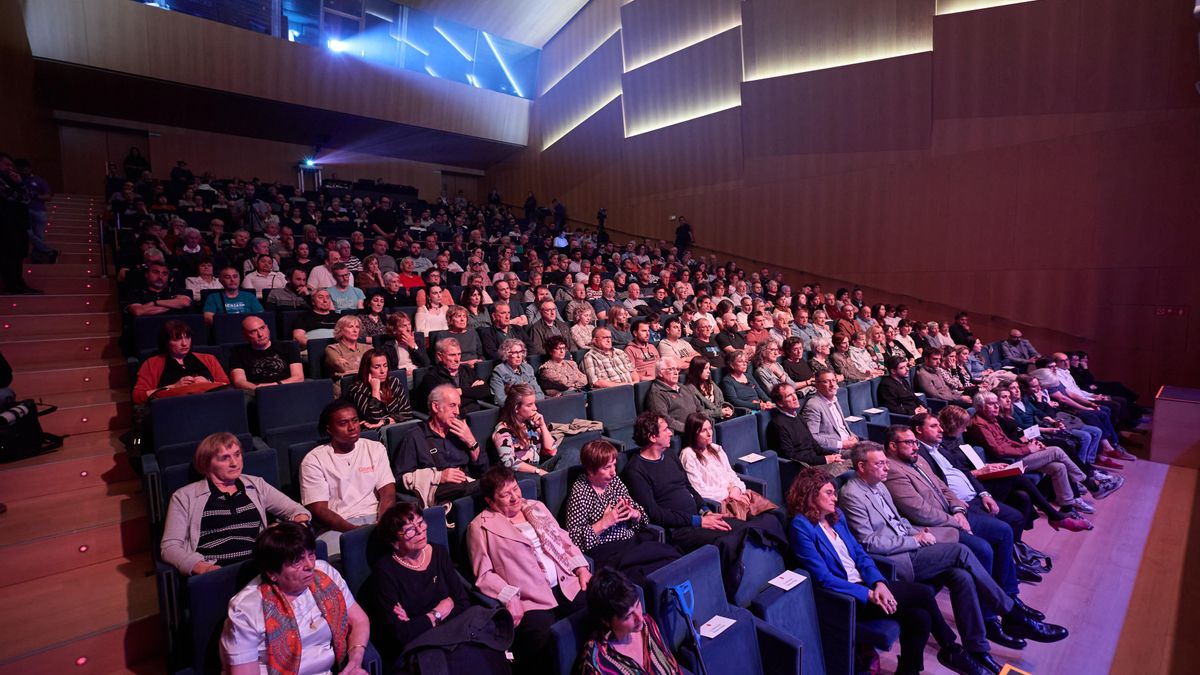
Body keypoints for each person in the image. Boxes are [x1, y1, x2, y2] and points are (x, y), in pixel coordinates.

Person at [838, 442, 1067, 660]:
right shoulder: (852, 494)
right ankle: (1011, 613)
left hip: (908, 543)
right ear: (861, 467)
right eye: (879, 463)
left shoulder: (878, 485)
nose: (886, 466)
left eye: (885, 463)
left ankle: (977, 647)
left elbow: (897, 521)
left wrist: (915, 530)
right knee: (961, 552)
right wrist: (915, 540)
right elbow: (868, 543)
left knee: (962, 576)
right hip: (896, 560)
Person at [786, 468, 987, 675]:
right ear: (810, 493)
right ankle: (952, 649)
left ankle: (909, 671)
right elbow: (824, 579)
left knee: (920, 618)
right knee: (924, 593)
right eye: (828, 493)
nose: (835, 498)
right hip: (845, 596)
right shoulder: (801, 527)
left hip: (867, 583)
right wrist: (869, 594)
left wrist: (879, 583)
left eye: (834, 492)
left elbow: (860, 554)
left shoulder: (836, 516)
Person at [883, 424, 1040, 615]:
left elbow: (944, 487)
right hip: (932, 527)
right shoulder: (892, 471)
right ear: (892, 446)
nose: (916, 447)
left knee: (1004, 530)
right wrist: (955, 520)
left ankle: (1010, 595)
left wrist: (957, 508)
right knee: (983, 548)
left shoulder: (918, 460)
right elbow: (919, 512)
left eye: (915, 442)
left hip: (954, 514)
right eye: (909, 443)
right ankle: (988, 615)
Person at [622, 412, 782, 596]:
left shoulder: (670, 456)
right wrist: (698, 521)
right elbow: (654, 513)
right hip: (679, 530)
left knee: (748, 528)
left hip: (700, 519)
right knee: (729, 540)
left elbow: (689, 487)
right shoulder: (635, 470)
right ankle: (731, 594)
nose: (670, 433)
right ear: (652, 436)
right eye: (665, 430)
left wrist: (705, 511)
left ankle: (762, 579)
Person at [468, 466, 591, 672]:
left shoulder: (536, 507)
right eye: (505, 495)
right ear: (490, 501)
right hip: (529, 599)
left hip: (566, 583)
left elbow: (564, 540)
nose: (515, 497)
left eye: (515, 489)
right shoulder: (479, 526)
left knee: (596, 616)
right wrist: (510, 597)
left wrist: (581, 568)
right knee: (543, 644)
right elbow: (484, 575)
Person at [364, 503, 513, 673]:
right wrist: (439, 612)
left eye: (421, 523)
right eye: (410, 530)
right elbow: (401, 634)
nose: (420, 531)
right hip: (424, 645)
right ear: (394, 542)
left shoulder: (439, 553)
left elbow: (463, 604)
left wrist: (421, 621)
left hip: (457, 632)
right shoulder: (385, 573)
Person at [219, 521, 371, 675]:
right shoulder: (246, 608)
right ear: (272, 573)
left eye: (310, 554)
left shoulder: (325, 574)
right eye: (297, 561)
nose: (309, 565)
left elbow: (359, 620)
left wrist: (354, 662)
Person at [161, 432, 309, 576]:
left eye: (237, 454)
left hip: (258, 566)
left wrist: (299, 525)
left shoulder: (256, 485)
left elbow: (295, 510)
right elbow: (170, 547)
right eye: (225, 458)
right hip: (216, 570)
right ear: (207, 463)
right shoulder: (184, 496)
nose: (234, 463)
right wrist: (203, 568)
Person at [938, 405, 1091, 532]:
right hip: (972, 486)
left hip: (981, 476)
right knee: (1021, 474)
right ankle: (1056, 515)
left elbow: (968, 464)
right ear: (954, 424)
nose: (965, 431)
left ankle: (1022, 544)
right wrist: (978, 472)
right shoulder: (941, 447)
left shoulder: (956, 441)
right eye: (963, 427)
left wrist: (987, 466)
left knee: (1023, 495)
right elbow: (953, 474)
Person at [564, 440, 680, 585]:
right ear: (591, 470)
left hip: (632, 542)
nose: (613, 472)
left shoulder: (614, 482)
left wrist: (634, 514)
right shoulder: (580, 493)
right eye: (607, 468)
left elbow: (642, 516)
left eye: (614, 465)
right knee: (646, 576)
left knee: (672, 557)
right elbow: (573, 540)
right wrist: (604, 523)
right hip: (607, 552)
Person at [965, 391, 1094, 514]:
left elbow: (1007, 441)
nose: (996, 406)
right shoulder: (979, 425)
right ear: (980, 407)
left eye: (996, 403)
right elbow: (998, 451)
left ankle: (1067, 507)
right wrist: (1027, 449)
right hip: (1005, 464)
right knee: (1056, 450)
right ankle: (1088, 482)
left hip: (1015, 456)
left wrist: (1028, 445)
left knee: (1058, 467)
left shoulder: (991, 419)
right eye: (990, 404)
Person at [300, 401, 396, 557]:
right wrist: (354, 531)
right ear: (329, 429)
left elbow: (388, 491)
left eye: (355, 420)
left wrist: (382, 521)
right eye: (343, 423)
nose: (352, 427)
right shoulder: (314, 460)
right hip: (339, 526)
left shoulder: (375, 448)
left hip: (377, 517)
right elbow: (319, 509)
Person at [394, 384, 487, 506]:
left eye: (458, 406)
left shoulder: (462, 431)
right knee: (491, 485)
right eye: (452, 406)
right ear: (436, 407)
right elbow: (399, 480)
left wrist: (471, 441)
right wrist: (439, 476)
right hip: (438, 492)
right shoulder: (414, 437)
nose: (457, 412)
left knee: (496, 481)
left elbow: (483, 469)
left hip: (467, 488)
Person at [578, 568, 682, 675]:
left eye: (637, 605)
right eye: (628, 616)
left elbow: (673, 667)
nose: (640, 618)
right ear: (606, 621)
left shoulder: (647, 623)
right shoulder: (596, 663)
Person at [679, 413, 777, 519]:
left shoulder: (716, 448)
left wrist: (736, 489)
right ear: (693, 434)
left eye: (710, 429)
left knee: (772, 516)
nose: (709, 434)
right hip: (720, 503)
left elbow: (731, 474)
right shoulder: (688, 455)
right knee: (762, 523)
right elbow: (699, 491)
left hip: (735, 495)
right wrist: (729, 494)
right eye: (703, 431)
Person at [133, 320, 229, 404]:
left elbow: (226, 385)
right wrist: (173, 386)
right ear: (166, 342)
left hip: (210, 405)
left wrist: (208, 383)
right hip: (174, 409)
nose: (184, 343)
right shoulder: (152, 363)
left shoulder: (209, 359)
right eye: (177, 339)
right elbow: (138, 396)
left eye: (187, 337)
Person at [768, 382, 847, 474]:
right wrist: (824, 459)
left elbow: (814, 445)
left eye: (794, 393)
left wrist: (832, 455)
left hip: (817, 461)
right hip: (806, 468)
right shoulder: (778, 424)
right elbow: (790, 456)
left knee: (855, 459)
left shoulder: (798, 417)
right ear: (780, 403)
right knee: (853, 466)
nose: (795, 398)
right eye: (789, 396)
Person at [492, 380, 565, 471]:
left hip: (538, 467)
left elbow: (552, 450)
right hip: (520, 474)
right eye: (530, 405)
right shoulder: (503, 430)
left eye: (534, 403)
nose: (535, 408)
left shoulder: (531, 423)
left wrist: (542, 426)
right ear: (516, 408)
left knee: (571, 453)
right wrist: (537, 471)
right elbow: (509, 462)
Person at [412, 338, 491, 413]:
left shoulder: (466, 370)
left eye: (459, 354)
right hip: (452, 420)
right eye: (452, 355)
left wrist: (460, 391)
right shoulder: (431, 377)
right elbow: (445, 403)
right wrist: (473, 393)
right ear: (440, 356)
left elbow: (486, 390)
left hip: (474, 416)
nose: (457, 359)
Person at [229, 315, 304, 391]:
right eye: (253, 331)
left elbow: (298, 377)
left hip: (286, 388)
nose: (260, 334)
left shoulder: (287, 347)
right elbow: (239, 381)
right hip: (255, 392)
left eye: (262, 328)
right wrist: (258, 389)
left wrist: (275, 385)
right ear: (245, 335)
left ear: (267, 328)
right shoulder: (238, 352)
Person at [345, 348, 412, 430]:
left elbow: (407, 413)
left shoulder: (394, 382)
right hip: (375, 431)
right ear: (367, 369)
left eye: (385, 366)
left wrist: (385, 421)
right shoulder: (357, 390)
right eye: (377, 367)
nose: (383, 371)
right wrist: (375, 390)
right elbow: (375, 419)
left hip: (398, 426)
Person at [801, 369, 860, 457]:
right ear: (817, 385)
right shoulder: (813, 405)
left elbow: (842, 428)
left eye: (833, 380)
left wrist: (854, 437)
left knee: (880, 449)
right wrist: (842, 444)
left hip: (850, 445)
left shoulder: (834, 399)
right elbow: (812, 437)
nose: (832, 385)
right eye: (826, 382)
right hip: (837, 451)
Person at [125, 260, 193, 316]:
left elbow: (185, 303)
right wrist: (174, 306)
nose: (160, 277)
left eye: (165, 273)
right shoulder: (136, 292)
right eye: (155, 272)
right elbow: (138, 311)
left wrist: (154, 303)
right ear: (146, 274)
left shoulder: (175, 289)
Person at [324, 315, 370, 397]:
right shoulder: (332, 349)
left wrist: (349, 371)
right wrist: (366, 370)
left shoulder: (367, 348)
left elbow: (376, 367)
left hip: (367, 387)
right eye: (351, 327)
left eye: (357, 327)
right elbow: (344, 368)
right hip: (346, 390)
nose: (355, 330)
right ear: (341, 330)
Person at [489, 339, 544, 405]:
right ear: (506, 354)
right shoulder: (499, 371)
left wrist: (529, 404)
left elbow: (539, 394)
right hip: (514, 409)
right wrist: (523, 404)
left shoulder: (527, 368)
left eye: (521, 352)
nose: (519, 356)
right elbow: (500, 400)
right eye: (515, 353)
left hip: (533, 405)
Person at [681, 356, 734, 423]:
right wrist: (719, 412)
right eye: (705, 368)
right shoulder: (689, 389)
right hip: (707, 421)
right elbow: (698, 413)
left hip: (721, 418)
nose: (709, 371)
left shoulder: (711, 383)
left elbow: (721, 401)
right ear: (697, 370)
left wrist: (727, 408)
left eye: (709, 368)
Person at [378, 312, 430, 377]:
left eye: (409, 324)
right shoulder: (388, 347)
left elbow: (426, 363)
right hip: (401, 377)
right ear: (394, 330)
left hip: (418, 374)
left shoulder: (417, 342)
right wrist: (403, 373)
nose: (408, 329)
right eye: (404, 326)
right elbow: (388, 369)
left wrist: (414, 346)